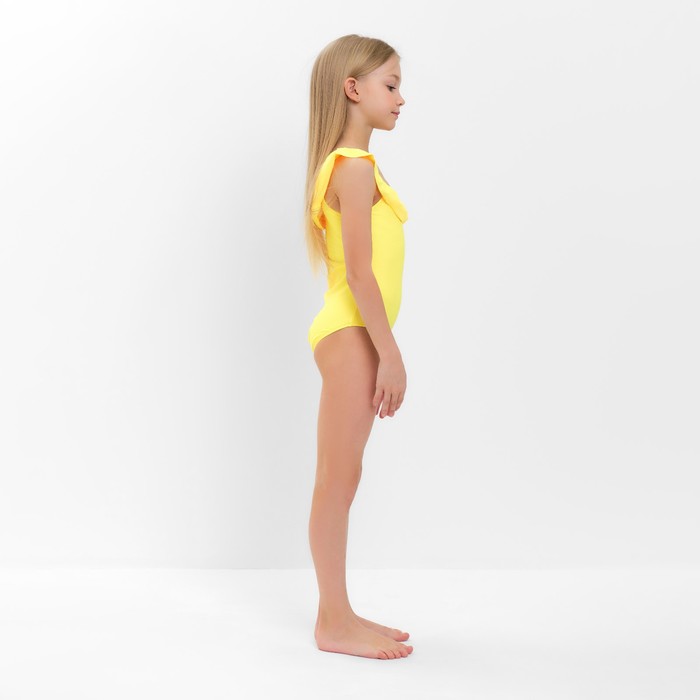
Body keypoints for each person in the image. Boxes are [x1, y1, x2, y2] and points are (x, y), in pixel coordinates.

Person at [303, 34, 414, 660]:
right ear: (354, 89)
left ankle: (337, 613)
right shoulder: (352, 166)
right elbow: (363, 276)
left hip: (352, 334)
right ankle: (334, 624)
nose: (401, 98)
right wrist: (390, 354)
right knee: (336, 479)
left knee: (343, 476)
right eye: (390, 85)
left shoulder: (353, 166)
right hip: (352, 335)